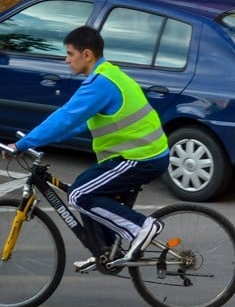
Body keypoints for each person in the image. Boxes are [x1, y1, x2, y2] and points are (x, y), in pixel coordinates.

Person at [1, 26, 170, 271]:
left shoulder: (101, 83)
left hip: (141, 158)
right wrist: (36, 140)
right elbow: (76, 125)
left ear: (87, 55)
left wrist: (23, 144)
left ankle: (143, 228)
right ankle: (104, 252)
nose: (66, 59)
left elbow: (65, 117)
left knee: (79, 194)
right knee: (85, 188)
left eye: (70, 54)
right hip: (135, 155)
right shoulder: (107, 75)